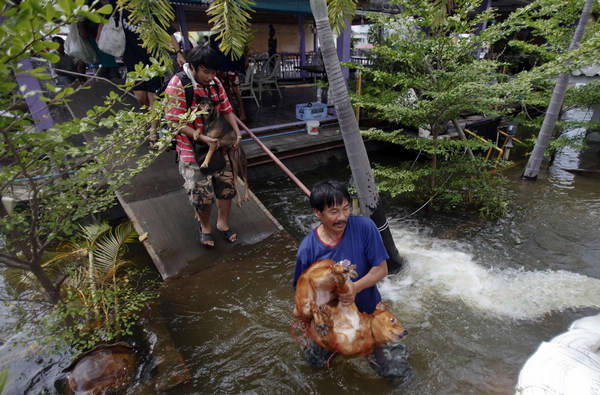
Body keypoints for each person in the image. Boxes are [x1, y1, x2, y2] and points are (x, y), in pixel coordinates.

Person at [293, 180, 413, 382]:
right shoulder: (308, 249)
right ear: (317, 212)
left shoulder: (365, 227)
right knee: (315, 366)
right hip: (331, 322)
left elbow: (381, 269)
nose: (342, 217)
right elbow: (302, 297)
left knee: (398, 373)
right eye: (333, 211)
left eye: (346, 208)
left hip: (369, 315)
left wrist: (355, 287)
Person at [163, 45, 242, 247]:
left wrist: (237, 133)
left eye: (214, 72)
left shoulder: (215, 83)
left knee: (227, 187)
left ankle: (222, 224)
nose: (210, 77)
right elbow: (174, 121)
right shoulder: (178, 85)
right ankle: (205, 227)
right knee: (202, 194)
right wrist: (201, 138)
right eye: (206, 72)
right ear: (194, 67)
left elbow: (226, 109)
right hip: (190, 146)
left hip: (216, 143)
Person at [121, 7, 186, 146]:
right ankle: (152, 119)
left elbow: (170, 33)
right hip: (133, 61)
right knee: (140, 97)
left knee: (153, 98)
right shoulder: (121, 9)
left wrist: (179, 53)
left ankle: (153, 131)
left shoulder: (151, 10)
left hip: (154, 62)